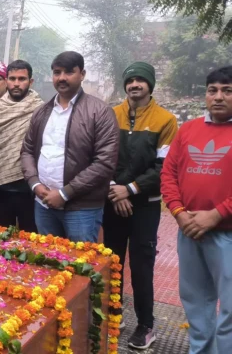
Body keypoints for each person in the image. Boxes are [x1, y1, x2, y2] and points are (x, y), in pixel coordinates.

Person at [103, 62, 178, 348]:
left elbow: (164, 166)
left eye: (140, 80)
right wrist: (115, 191)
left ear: (150, 84)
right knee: (113, 261)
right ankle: (115, 313)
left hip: (145, 205)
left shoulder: (165, 120)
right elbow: (103, 156)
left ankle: (146, 325)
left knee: (142, 264)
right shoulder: (111, 114)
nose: (134, 84)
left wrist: (129, 190)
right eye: (130, 80)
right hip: (113, 201)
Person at [161, 66, 232, 354]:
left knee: (229, 309)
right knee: (196, 304)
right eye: (212, 90)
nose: (218, 97)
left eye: (227, 91)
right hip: (189, 232)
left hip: (226, 234)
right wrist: (178, 213)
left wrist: (216, 214)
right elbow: (168, 174)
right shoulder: (188, 129)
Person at [20, 51, 119, 242]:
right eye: (57, 72)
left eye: (69, 72)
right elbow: (27, 150)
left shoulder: (100, 112)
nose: (62, 78)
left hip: (81, 208)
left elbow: (105, 163)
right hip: (44, 205)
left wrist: (65, 193)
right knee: (48, 263)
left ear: (82, 74)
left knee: (80, 266)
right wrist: (34, 183)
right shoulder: (42, 112)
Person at [0, 60, 43, 231]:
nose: (17, 83)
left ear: (31, 81)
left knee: (31, 244)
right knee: (0, 243)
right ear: (7, 80)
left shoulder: (40, 109)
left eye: (22, 79)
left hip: (30, 190)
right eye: (12, 79)